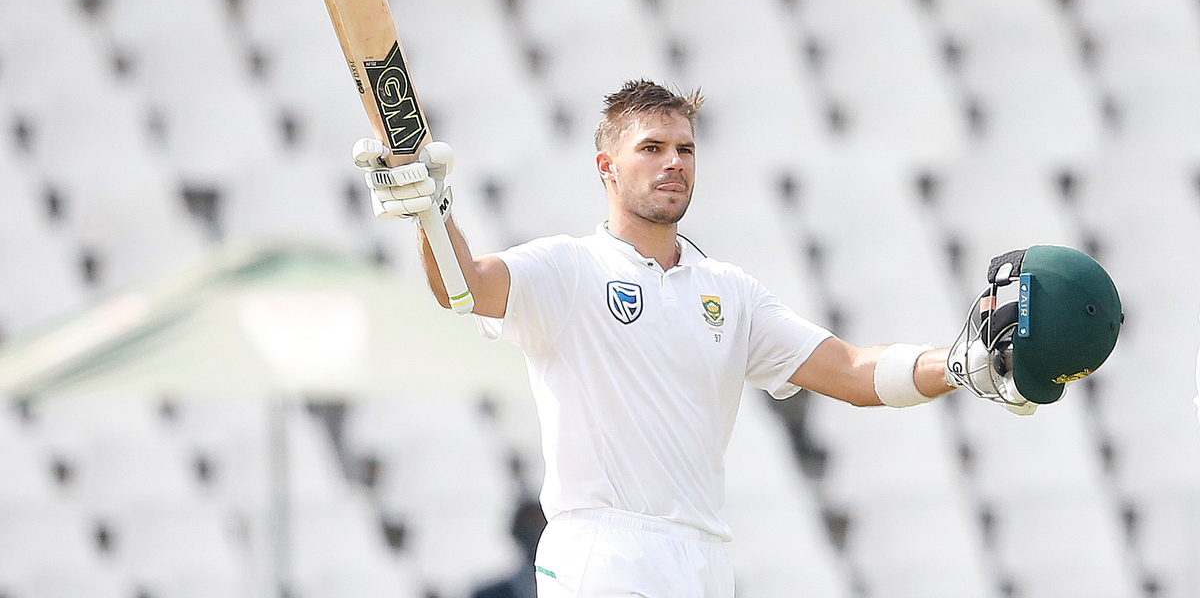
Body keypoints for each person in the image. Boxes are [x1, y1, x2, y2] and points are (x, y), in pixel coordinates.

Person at [352, 80, 1058, 597]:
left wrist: (962, 365)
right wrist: (429, 213)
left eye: (685, 148)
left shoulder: (729, 291)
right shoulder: (568, 267)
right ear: (607, 167)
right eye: (651, 148)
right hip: (602, 550)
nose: (674, 163)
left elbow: (849, 371)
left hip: (700, 560)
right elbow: (463, 287)